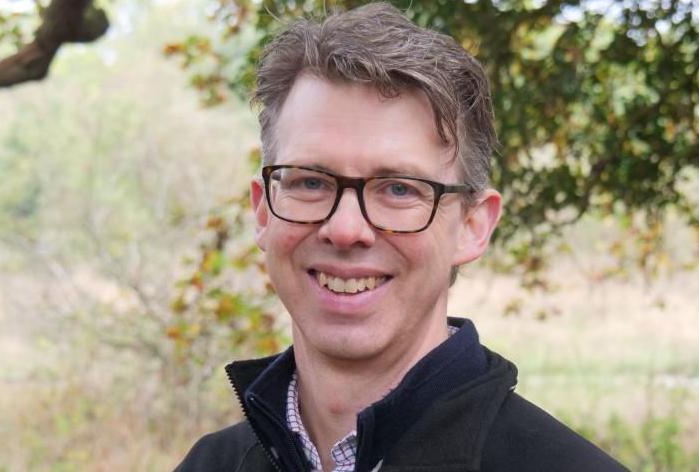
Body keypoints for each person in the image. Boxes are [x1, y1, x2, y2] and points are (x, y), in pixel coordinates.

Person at [176, 3, 627, 471]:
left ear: (473, 227)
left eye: (398, 189)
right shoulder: (209, 464)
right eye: (310, 182)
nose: (346, 229)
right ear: (263, 210)